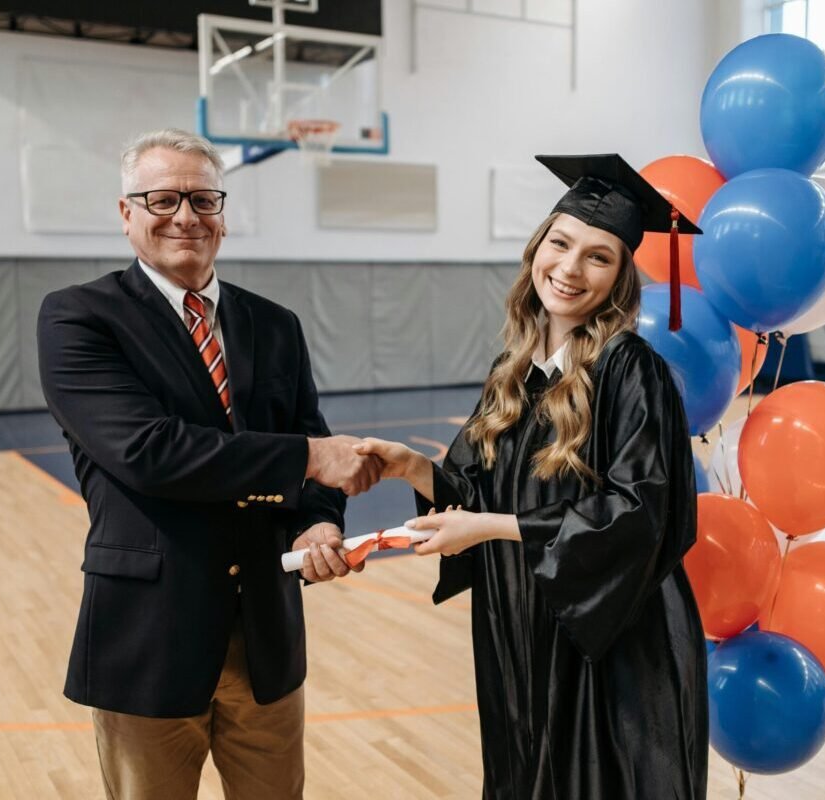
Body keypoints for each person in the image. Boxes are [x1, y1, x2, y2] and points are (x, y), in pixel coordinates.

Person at [37, 128, 377, 800]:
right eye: (161, 200)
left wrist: (318, 523)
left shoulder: (273, 324)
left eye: (202, 199)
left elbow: (312, 438)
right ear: (125, 213)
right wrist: (310, 458)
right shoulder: (80, 318)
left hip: (266, 637)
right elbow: (150, 453)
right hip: (150, 639)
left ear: (222, 212)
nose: (185, 217)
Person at [357, 154, 709, 798]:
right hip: (521, 622)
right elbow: (473, 493)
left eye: (598, 257)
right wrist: (409, 466)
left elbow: (640, 513)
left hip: (606, 637)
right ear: (537, 248)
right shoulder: (513, 370)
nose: (571, 269)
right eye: (561, 243)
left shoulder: (632, 371)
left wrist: (485, 525)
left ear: (621, 276)